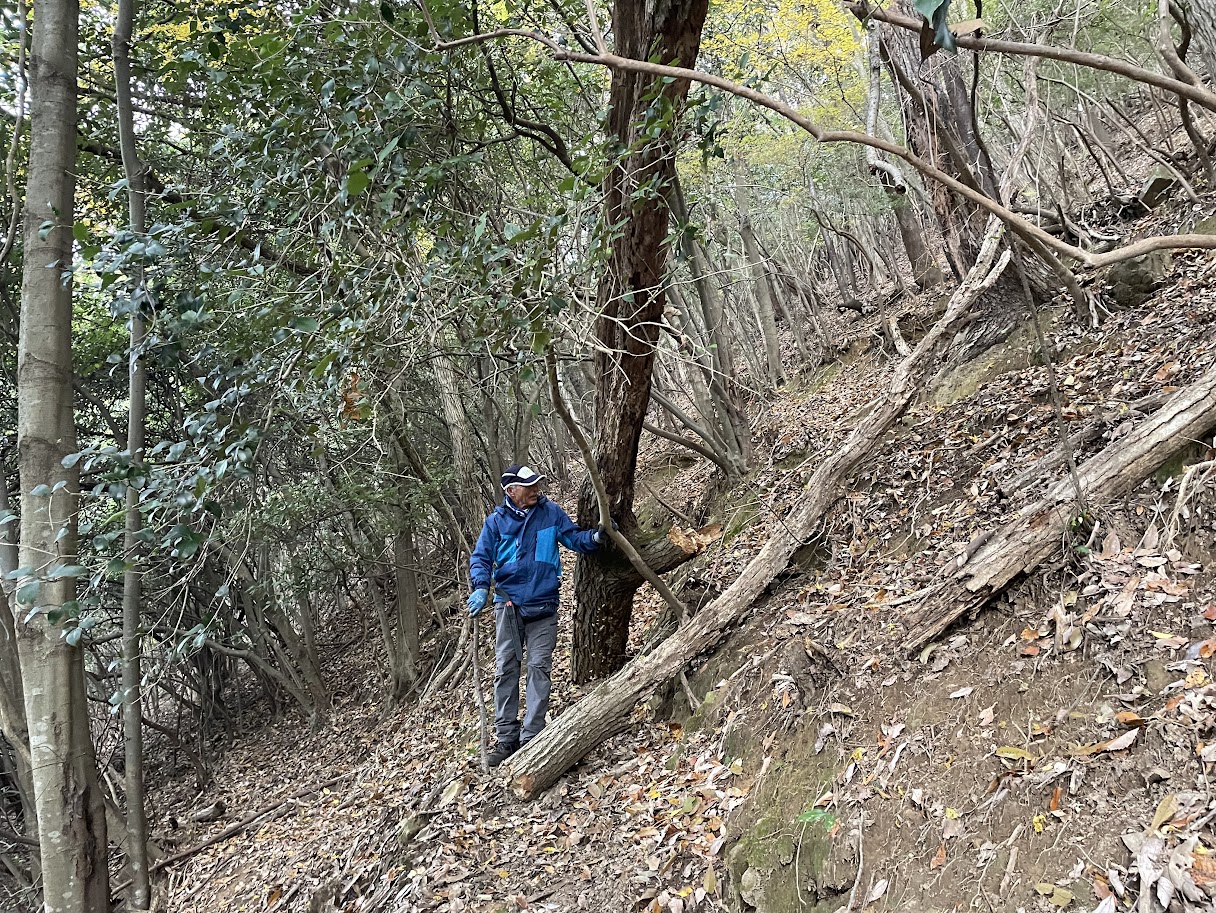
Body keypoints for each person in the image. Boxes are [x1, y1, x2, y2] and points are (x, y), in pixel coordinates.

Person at [467, 463, 605, 767]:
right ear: (511, 491)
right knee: (505, 670)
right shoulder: (496, 523)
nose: (535, 490)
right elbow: (480, 558)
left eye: (536, 485)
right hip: (508, 607)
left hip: (543, 605)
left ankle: (533, 737)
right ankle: (506, 739)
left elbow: (573, 538)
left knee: (539, 667)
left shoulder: (550, 512)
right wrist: (480, 587)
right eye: (529, 487)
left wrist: (595, 538)